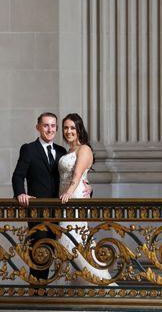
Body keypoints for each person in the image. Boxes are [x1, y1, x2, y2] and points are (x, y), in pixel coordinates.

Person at [58, 113, 116, 286]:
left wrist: (68, 193)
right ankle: (75, 283)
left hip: (74, 197)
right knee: (74, 239)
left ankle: (96, 280)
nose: (68, 131)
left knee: (69, 238)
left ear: (79, 129)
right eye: (66, 128)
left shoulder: (84, 149)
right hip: (64, 196)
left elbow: (77, 174)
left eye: (72, 128)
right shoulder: (68, 150)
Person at [11, 112, 67, 282]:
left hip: (59, 210)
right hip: (37, 211)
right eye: (46, 125)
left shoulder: (61, 150)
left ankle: (43, 292)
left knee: (53, 250)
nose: (50, 129)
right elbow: (18, 175)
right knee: (39, 250)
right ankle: (37, 292)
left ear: (56, 128)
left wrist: (87, 188)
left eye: (53, 126)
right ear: (38, 127)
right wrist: (20, 192)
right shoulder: (29, 149)